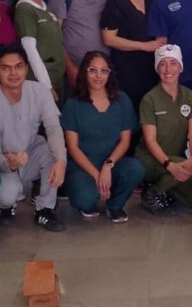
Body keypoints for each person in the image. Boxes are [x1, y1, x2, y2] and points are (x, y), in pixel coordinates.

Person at [0, 44, 66, 232]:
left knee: (53, 153)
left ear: (26, 68)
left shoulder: (40, 91)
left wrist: (61, 160)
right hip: (3, 162)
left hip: (31, 153)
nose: (13, 73)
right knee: (9, 193)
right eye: (5, 68)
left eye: (18, 66)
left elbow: (53, 128)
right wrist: (10, 163)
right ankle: (5, 207)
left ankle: (45, 210)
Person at [60, 51, 145, 223]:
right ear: (84, 72)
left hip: (112, 163)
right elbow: (73, 147)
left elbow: (125, 141)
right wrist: (97, 175)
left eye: (104, 71)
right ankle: (90, 199)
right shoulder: (72, 104)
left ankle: (114, 206)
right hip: (82, 167)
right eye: (93, 70)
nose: (99, 76)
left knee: (136, 169)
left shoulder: (122, 100)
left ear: (109, 73)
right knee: (84, 199)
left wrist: (108, 165)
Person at [136, 45, 192, 215]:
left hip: (179, 159)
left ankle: (167, 188)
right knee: (180, 170)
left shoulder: (191, 97)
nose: (168, 69)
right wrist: (168, 164)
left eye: (173, 63)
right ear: (157, 69)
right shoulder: (149, 99)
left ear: (181, 67)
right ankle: (152, 192)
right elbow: (150, 140)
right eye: (163, 64)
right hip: (151, 158)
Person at [101, 0, 161, 111]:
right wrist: (143, 46)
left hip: (152, 71)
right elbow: (108, 39)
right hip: (126, 73)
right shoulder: (114, 4)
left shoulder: (152, 0)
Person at [12, 0, 65, 101]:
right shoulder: (25, 9)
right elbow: (30, 49)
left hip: (57, 78)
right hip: (41, 85)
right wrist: (46, 86)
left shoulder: (44, 7)